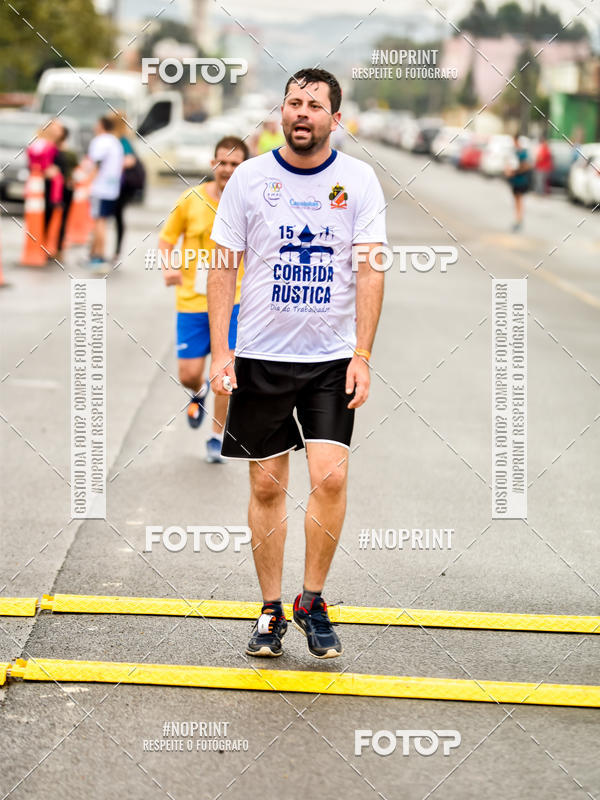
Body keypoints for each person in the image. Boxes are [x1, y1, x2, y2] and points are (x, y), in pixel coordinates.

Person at [208, 67, 386, 659]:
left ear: (335, 117)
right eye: (292, 103)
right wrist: (220, 351)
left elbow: (369, 269)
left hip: (331, 359)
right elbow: (222, 266)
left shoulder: (357, 181)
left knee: (331, 475)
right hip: (261, 355)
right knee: (266, 483)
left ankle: (313, 600)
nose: (301, 113)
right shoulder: (250, 180)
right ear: (280, 113)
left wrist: (362, 354)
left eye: (314, 105)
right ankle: (270, 608)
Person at [158, 136, 248, 463]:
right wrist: (168, 268)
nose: (227, 169)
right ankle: (197, 393)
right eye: (222, 163)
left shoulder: (248, 203)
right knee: (188, 373)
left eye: (234, 164)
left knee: (225, 374)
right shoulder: (190, 199)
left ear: (243, 168)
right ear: (213, 164)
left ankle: (215, 437)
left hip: (234, 301)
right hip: (193, 301)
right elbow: (167, 241)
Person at [86, 115, 124, 270]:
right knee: (102, 222)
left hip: (100, 188)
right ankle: (95, 254)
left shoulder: (100, 141)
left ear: (101, 125)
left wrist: (87, 182)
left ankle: (99, 256)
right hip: (112, 188)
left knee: (99, 222)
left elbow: (97, 164)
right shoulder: (116, 142)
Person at [111, 110, 144, 265]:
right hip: (121, 185)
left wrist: (113, 166)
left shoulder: (122, 140)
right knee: (117, 216)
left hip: (120, 185)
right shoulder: (124, 139)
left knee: (116, 216)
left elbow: (129, 160)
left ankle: (116, 251)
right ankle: (116, 250)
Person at [26, 119, 63, 238]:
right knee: (43, 213)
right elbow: (36, 163)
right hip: (44, 184)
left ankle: (44, 238)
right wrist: (45, 170)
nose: (60, 131)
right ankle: (42, 238)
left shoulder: (51, 144)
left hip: (48, 184)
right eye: (57, 128)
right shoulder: (43, 144)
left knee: (47, 213)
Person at [53, 124, 79, 259]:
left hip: (64, 188)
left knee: (62, 218)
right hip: (56, 187)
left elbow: (74, 170)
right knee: (57, 217)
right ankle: (54, 247)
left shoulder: (67, 152)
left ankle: (58, 248)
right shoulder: (51, 149)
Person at [505, 133, 531, 232]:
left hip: (520, 180)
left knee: (519, 200)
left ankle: (519, 220)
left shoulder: (523, 153)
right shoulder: (514, 152)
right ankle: (517, 219)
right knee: (516, 200)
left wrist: (514, 171)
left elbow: (526, 166)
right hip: (514, 180)